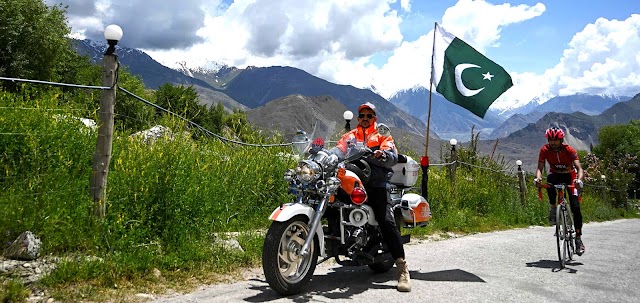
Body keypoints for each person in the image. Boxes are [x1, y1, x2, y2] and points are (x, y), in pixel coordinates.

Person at [328, 102, 411, 292]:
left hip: (376, 182)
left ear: (375, 118)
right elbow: (339, 149)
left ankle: (402, 268)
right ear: (358, 118)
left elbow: (392, 155)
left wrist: (384, 155)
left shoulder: (383, 135)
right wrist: (325, 155)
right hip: (351, 180)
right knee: (330, 202)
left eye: (369, 115)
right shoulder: (350, 137)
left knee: (385, 219)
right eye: (362, 115)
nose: (365, 118)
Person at [534, 127, 586, 255]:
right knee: (549, 184)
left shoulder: (569, 150)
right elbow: (540, 168)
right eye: (550, 139)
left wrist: (579, 180)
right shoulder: (544, 150)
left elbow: (579, 168)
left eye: (555, 140)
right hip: (555, 174)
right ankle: (553, 208)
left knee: (575, 207)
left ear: (561, 139)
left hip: (570, 176)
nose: (553, 142)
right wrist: (538, 178)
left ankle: (578, 239)